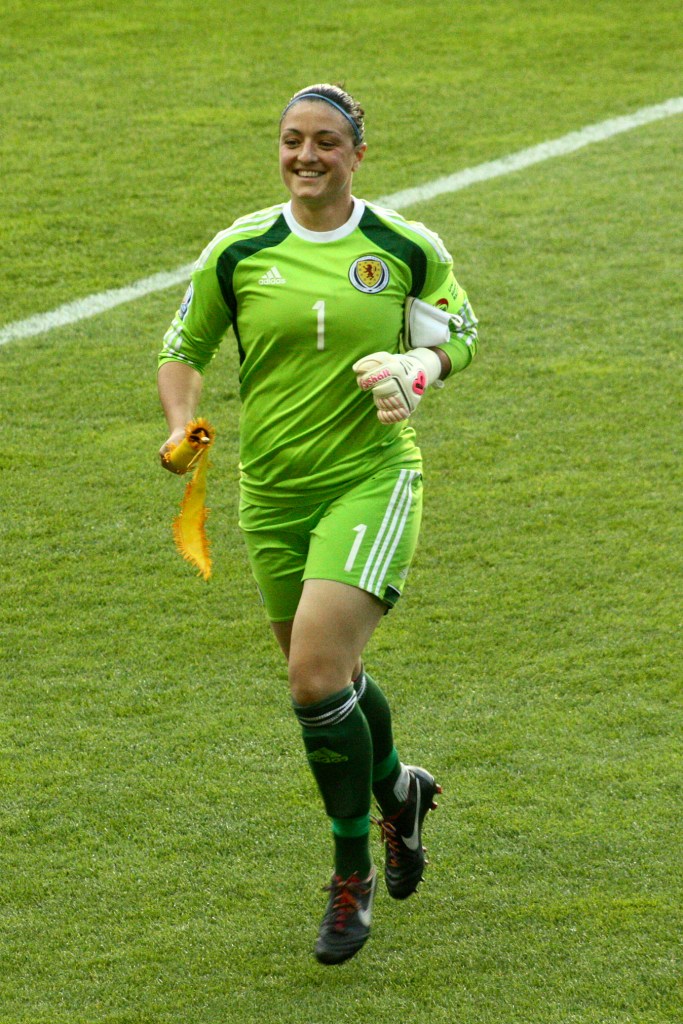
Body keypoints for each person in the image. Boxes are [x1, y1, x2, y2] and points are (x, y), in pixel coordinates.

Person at [157, 83, 478, 965]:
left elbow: (459, 332)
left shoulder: (403, 247)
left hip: (371, 481)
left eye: (326, 142)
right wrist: (181, 423)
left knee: (311, 679)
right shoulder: (239, 248)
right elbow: (183, 350)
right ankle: (398, 793)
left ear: (357, 155)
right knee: (331, 680)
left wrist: (418, 367)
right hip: (271, 494)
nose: (306, 155)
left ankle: (350, 871)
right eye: (292, 139)